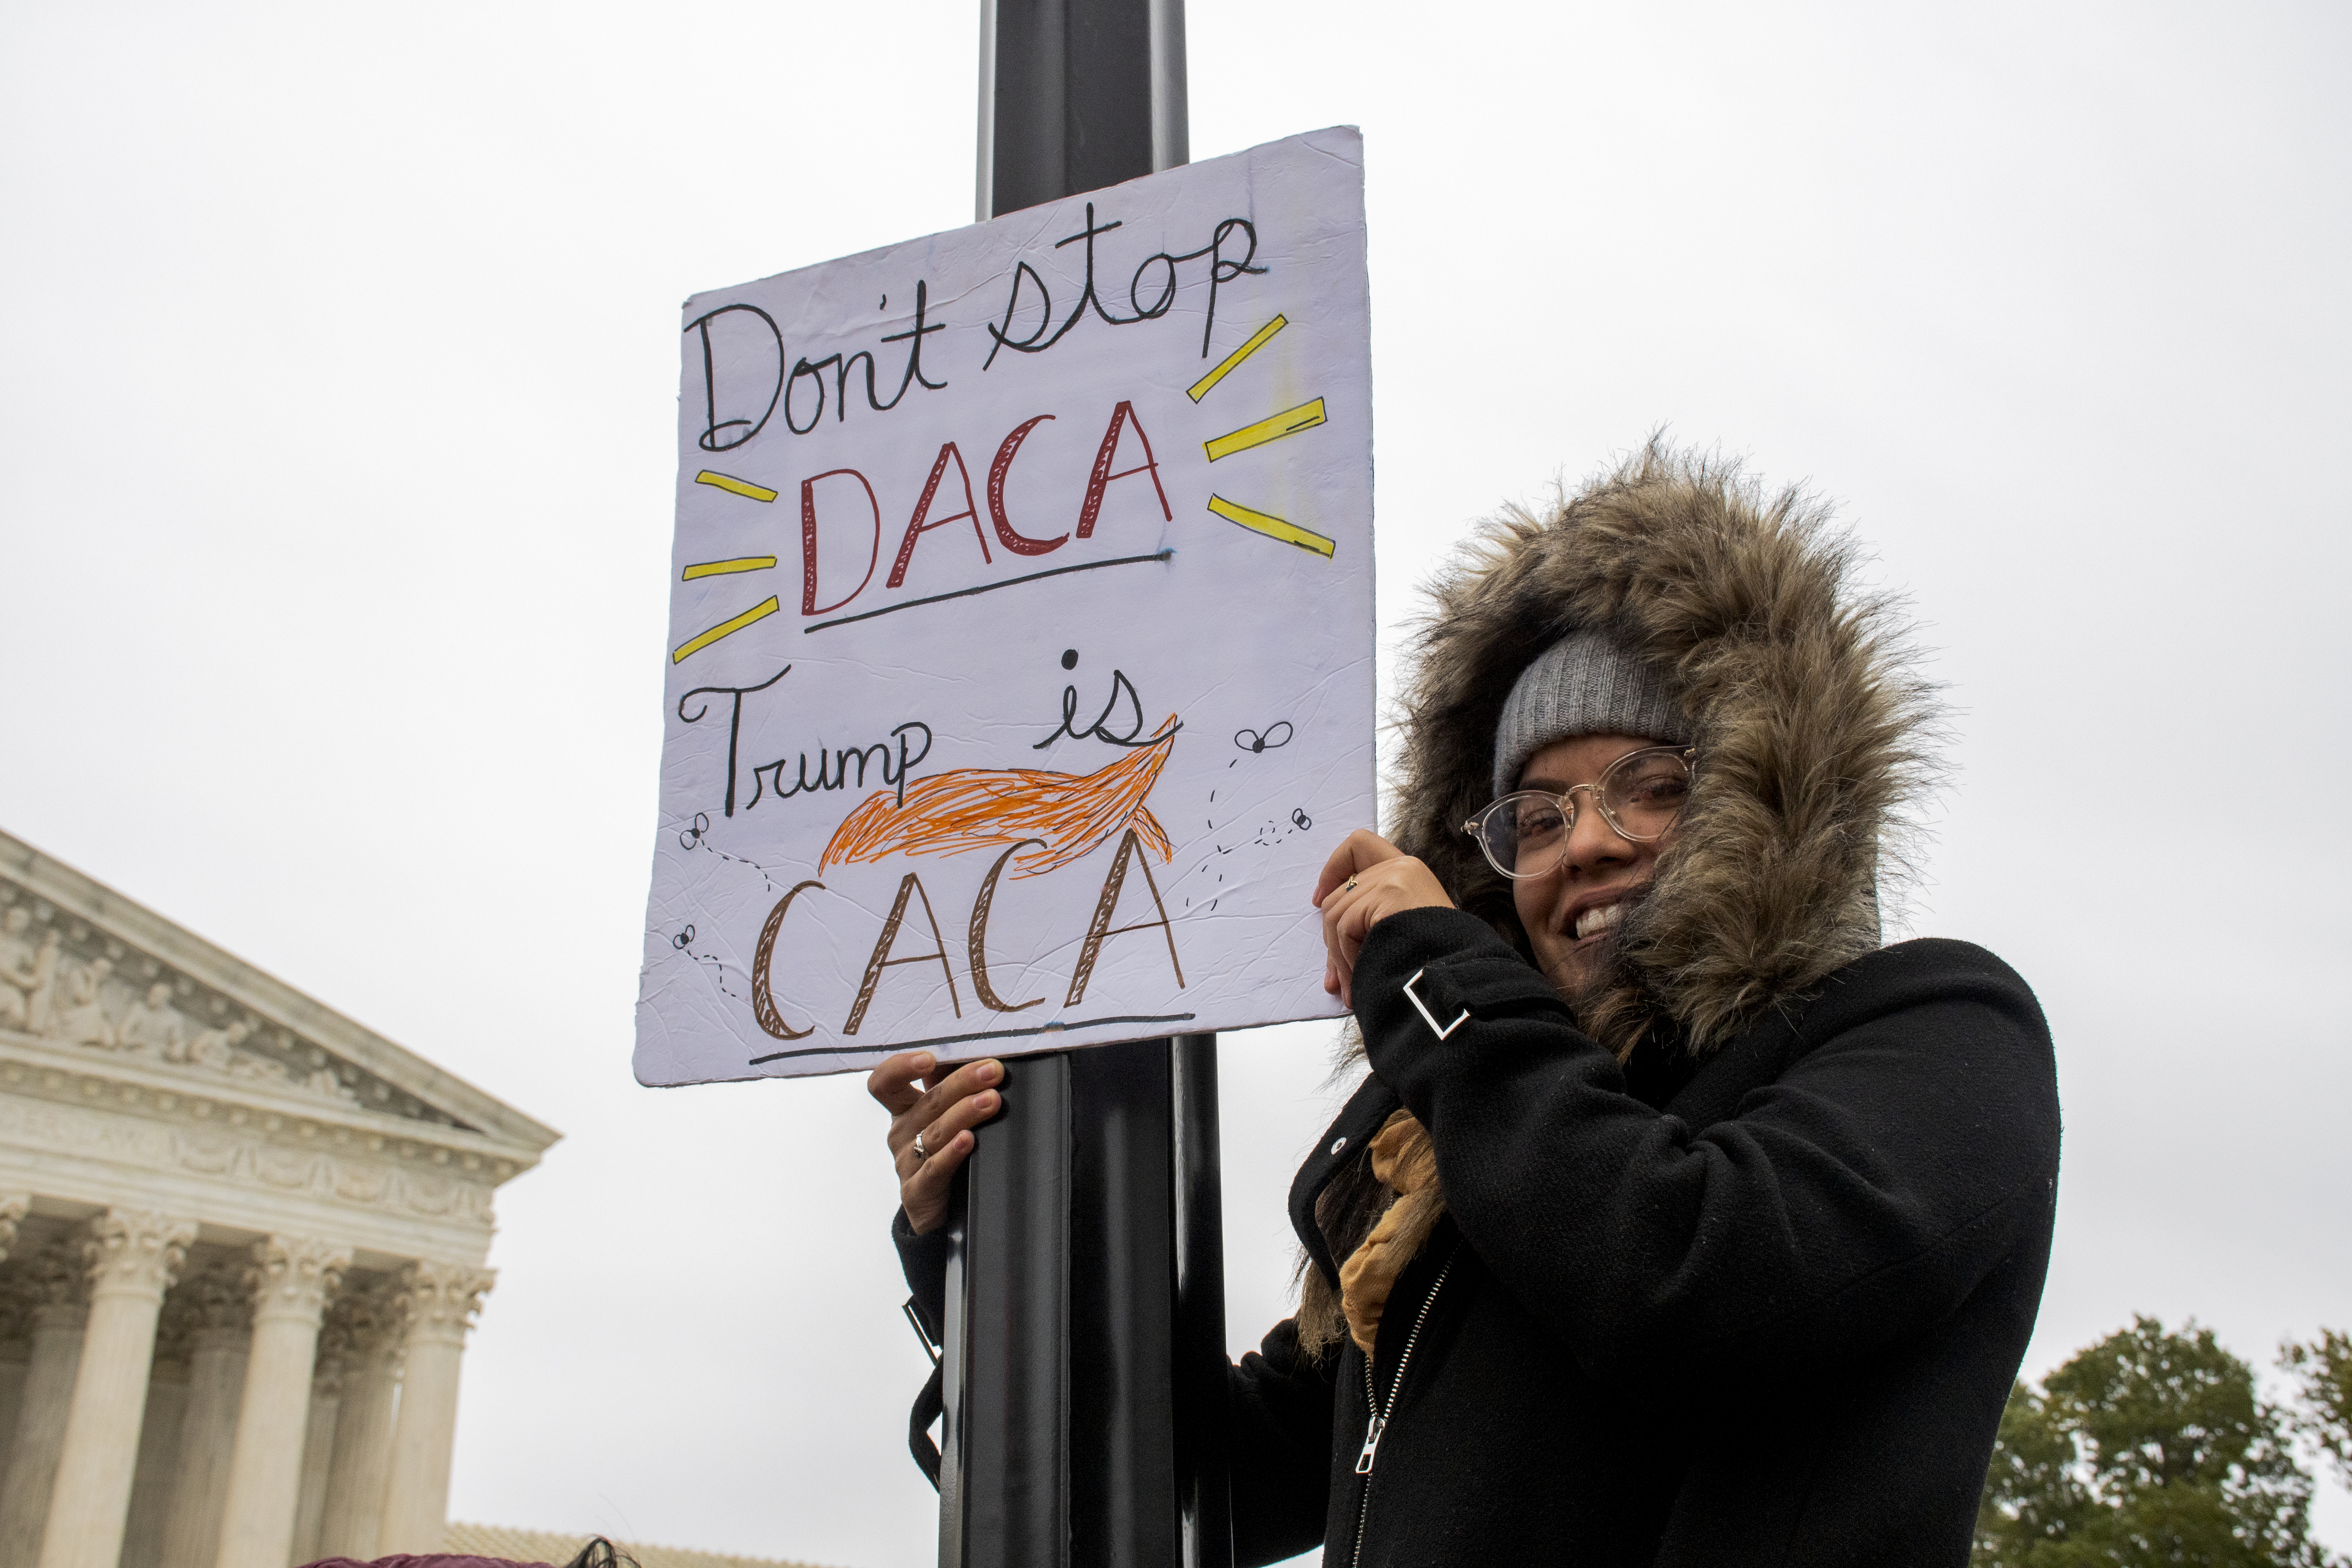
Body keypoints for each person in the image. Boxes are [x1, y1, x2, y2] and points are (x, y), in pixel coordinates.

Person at [870, 442, 2061, 1566]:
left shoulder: (1940, 1025)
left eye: (1650, 787)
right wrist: (978, 1243)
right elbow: (1194, 1486)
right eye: (1534, 817)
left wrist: (1436, 980)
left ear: (1769, 795)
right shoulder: (1466, 1157)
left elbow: (1690, 1277)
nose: (1582, 845)